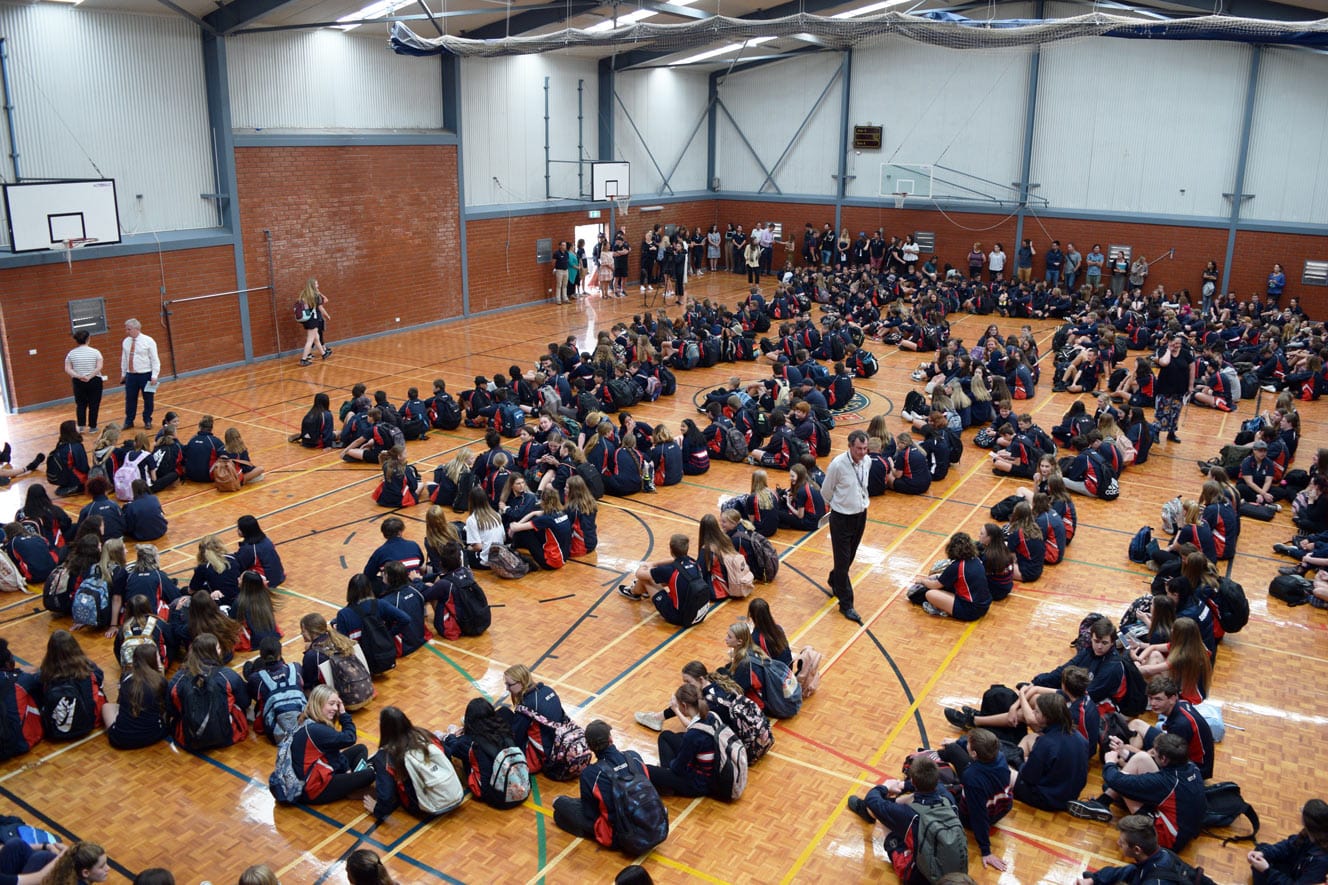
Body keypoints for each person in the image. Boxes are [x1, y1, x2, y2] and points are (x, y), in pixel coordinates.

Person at [1067, 732, 1205, 852]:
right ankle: (1102, 803)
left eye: (1154, 753)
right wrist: (1124, 752)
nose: (1152, 754)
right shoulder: (1191, 767)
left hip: (1167, 840)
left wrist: (1110, 762)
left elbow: (1114, 780)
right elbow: (1150, 764)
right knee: (1142, 758)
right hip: (1185, 828)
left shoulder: (1165, 782)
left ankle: (1103, 802)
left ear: (1164, 758)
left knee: (1125, 784)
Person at [552, 719, 667, 854]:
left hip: (621, 837)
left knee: (560, 807)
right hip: (657, 825)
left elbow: (590, 814)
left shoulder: (590, 774)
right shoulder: (634, 756)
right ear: (610, 739)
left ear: (590, 747)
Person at [844, 754, 960, 883]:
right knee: (907, 800)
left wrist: (885, 786)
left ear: (913, 781)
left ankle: (866, 811)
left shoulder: (909, 815)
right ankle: (872, 809)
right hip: (954, 872)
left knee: (884, 812)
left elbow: (872, 799)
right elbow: (937, 787)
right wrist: (903, 785)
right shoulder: (948, 799)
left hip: (920, 877)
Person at [365, 705, 462, 822]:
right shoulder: (425, 734)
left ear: (384, 728)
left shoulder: (385, 756)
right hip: (455, 793)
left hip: (423, 806)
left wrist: (377, 810)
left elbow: (386, 796)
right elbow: (447, 753)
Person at [285, 684, 374, 804]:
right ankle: (353, 787)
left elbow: (333, 753)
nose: (336, 708)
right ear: (319, 703)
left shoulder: (307, 720)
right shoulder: (318, 730)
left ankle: (352, 784)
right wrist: (343, 713)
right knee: (370, 773)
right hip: (313, 789)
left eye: (337, 704)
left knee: (361, 749)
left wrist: (347, 771)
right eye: (331, 704)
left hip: (316, 771)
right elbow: (350, 738)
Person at [442, 696, 528, 809]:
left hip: (495, 797)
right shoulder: (505, 729)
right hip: (522, 788)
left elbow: (454, 749)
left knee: (456, 752)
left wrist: (450, 736)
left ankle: (446, 735)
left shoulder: (472, 742)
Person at [167, 633, 249, 749]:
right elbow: (245, 701)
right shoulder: (227, 675)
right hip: (227, 735)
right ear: (213, 652)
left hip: (188, 738)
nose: (221, 651)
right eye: (218, 648)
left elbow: (171, 709)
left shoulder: (178, 678)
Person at [820, 430, 869, 623]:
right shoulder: (838, 465)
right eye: (858, 449)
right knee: (842, 561)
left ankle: (835, 579)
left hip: (861, 514)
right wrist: (839, 505)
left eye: (865, 448)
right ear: (850, 446)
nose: (862, 452)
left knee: (850, 556)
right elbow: (826, 491)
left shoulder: (867, 461)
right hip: (841, 518)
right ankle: (846, 604)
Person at [1012, 692, 1089, 811]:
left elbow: (1028, 777)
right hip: (1069, 795)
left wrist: (1022, 763)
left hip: (1047, 799)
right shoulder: (1079, 737)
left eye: (1037, 711)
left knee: (1005, 769)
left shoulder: (1046, 743)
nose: (1033, 713)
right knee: (1029, 739)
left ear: (1046, 717)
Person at [644, 683, 721, 798]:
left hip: (699, 784)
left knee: (646, 769)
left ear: (684, 705)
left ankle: (668, 785)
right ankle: (667, 781)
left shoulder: (693, 734)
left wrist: (669, 766)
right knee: (665, 736)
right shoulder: (711, 715)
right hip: (711, 771)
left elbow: (678, 768)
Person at [618, 534, 712, 628]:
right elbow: (673, 560)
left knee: (646, 580)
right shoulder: (693, 563)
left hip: (678, 617)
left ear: (671, 549)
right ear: (687, 549)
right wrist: (654, 563)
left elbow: (639, 574)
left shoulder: (669, 570)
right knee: (672, 580)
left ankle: (633, 592)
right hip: (699, 613)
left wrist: (644, 565)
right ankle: (645, 591)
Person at [1076, 814, 1197, 885]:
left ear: (1137, 850)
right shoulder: (1162, 854)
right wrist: (1093, 880)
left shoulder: (1155, 881)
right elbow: (1129, 871)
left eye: (1122, 842)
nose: (1118, 843)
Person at [504, 664, 578, 778]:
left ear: (521, 682)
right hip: (560, 742)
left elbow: (516, 737)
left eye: (509, 685)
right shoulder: (548, 690)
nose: (507, 688)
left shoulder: (526, 706)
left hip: (545, 754)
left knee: (504, 713)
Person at [35, 629, 107, 742]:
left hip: (54, 732)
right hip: (90, 722)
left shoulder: (45, 674)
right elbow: (100, 683)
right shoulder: (89, 669)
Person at [102, 643, 169, 750]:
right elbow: (165, 707)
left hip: (120, 740)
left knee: (107, 706)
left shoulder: (126, 677)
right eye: (157, 657)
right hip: (154, 735)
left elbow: (120, 702)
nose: (160, 659)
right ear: (153, 660)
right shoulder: (160, 681)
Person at [1246, 798, 1328, 885]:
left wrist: (1267, 870)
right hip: (1295, 868)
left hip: (1297, 878)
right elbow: (1288, 846)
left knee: (1261, 871)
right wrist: (1263, 853)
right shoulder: (1312, 834)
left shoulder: (1321, 862)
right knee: (1261, 850)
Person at [912, 532, 992, 621]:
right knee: (942, 584)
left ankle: (941, 610)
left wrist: (922, 581)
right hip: (984, 605)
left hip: (971, 610)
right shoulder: (975, 559)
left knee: (930, 594)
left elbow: (935, 585)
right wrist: (937, 576)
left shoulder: (957, 566)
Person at [120, 318, 160, 430]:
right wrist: (123, 373)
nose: (127, 331)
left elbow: (155, 359)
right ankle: (129, 421)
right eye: (126, 329)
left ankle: (147, 420)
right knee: (130, 399)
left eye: (129, 329)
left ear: (136, 329)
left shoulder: (149, 341)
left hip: (146, 374)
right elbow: (124, 358)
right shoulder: (126, 342)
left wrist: (154, 375)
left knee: (148, 398)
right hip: (131, 375)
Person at [1155, 333, 1194, 444]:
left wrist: (1191, 385)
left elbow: (1192, 368)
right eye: (1175, 343)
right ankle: (1156, 432)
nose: (1177, 346)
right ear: (1170, 342)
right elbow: (1164, 363)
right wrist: (1169, 350)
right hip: (1164, 388)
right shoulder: (1163, 351)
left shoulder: (1186, 353)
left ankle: (1171, 433)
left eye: (1179, 344)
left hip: (1180, 388)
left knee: (1175, 412)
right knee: (1161, 411)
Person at [64, 329, 104, 433]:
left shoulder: (71, 354)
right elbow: (99, 367)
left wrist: (79, 376)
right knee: (94, 404)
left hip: (78, 382)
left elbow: (68, 369)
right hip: (94, 381)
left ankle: (81, 426)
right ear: (88, 339)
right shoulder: (95, 352)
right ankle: (93, 427)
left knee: (81, 404)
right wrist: (89, 376)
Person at [296, 277, 332, 366]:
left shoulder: (304, 294)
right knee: (310, 340)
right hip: (313, 319)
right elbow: (323, 303)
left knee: (316, 338)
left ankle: (323, 353)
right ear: (313, 285)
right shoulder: (315, 295)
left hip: (307, 319)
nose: (318, 285)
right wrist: (327, 315)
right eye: (316, 284)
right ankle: (304, 359)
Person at [35, 842, 108, 885]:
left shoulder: (66, 871)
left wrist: (47, 846)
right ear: (85, 872)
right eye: (101, 866)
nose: (108, 868)